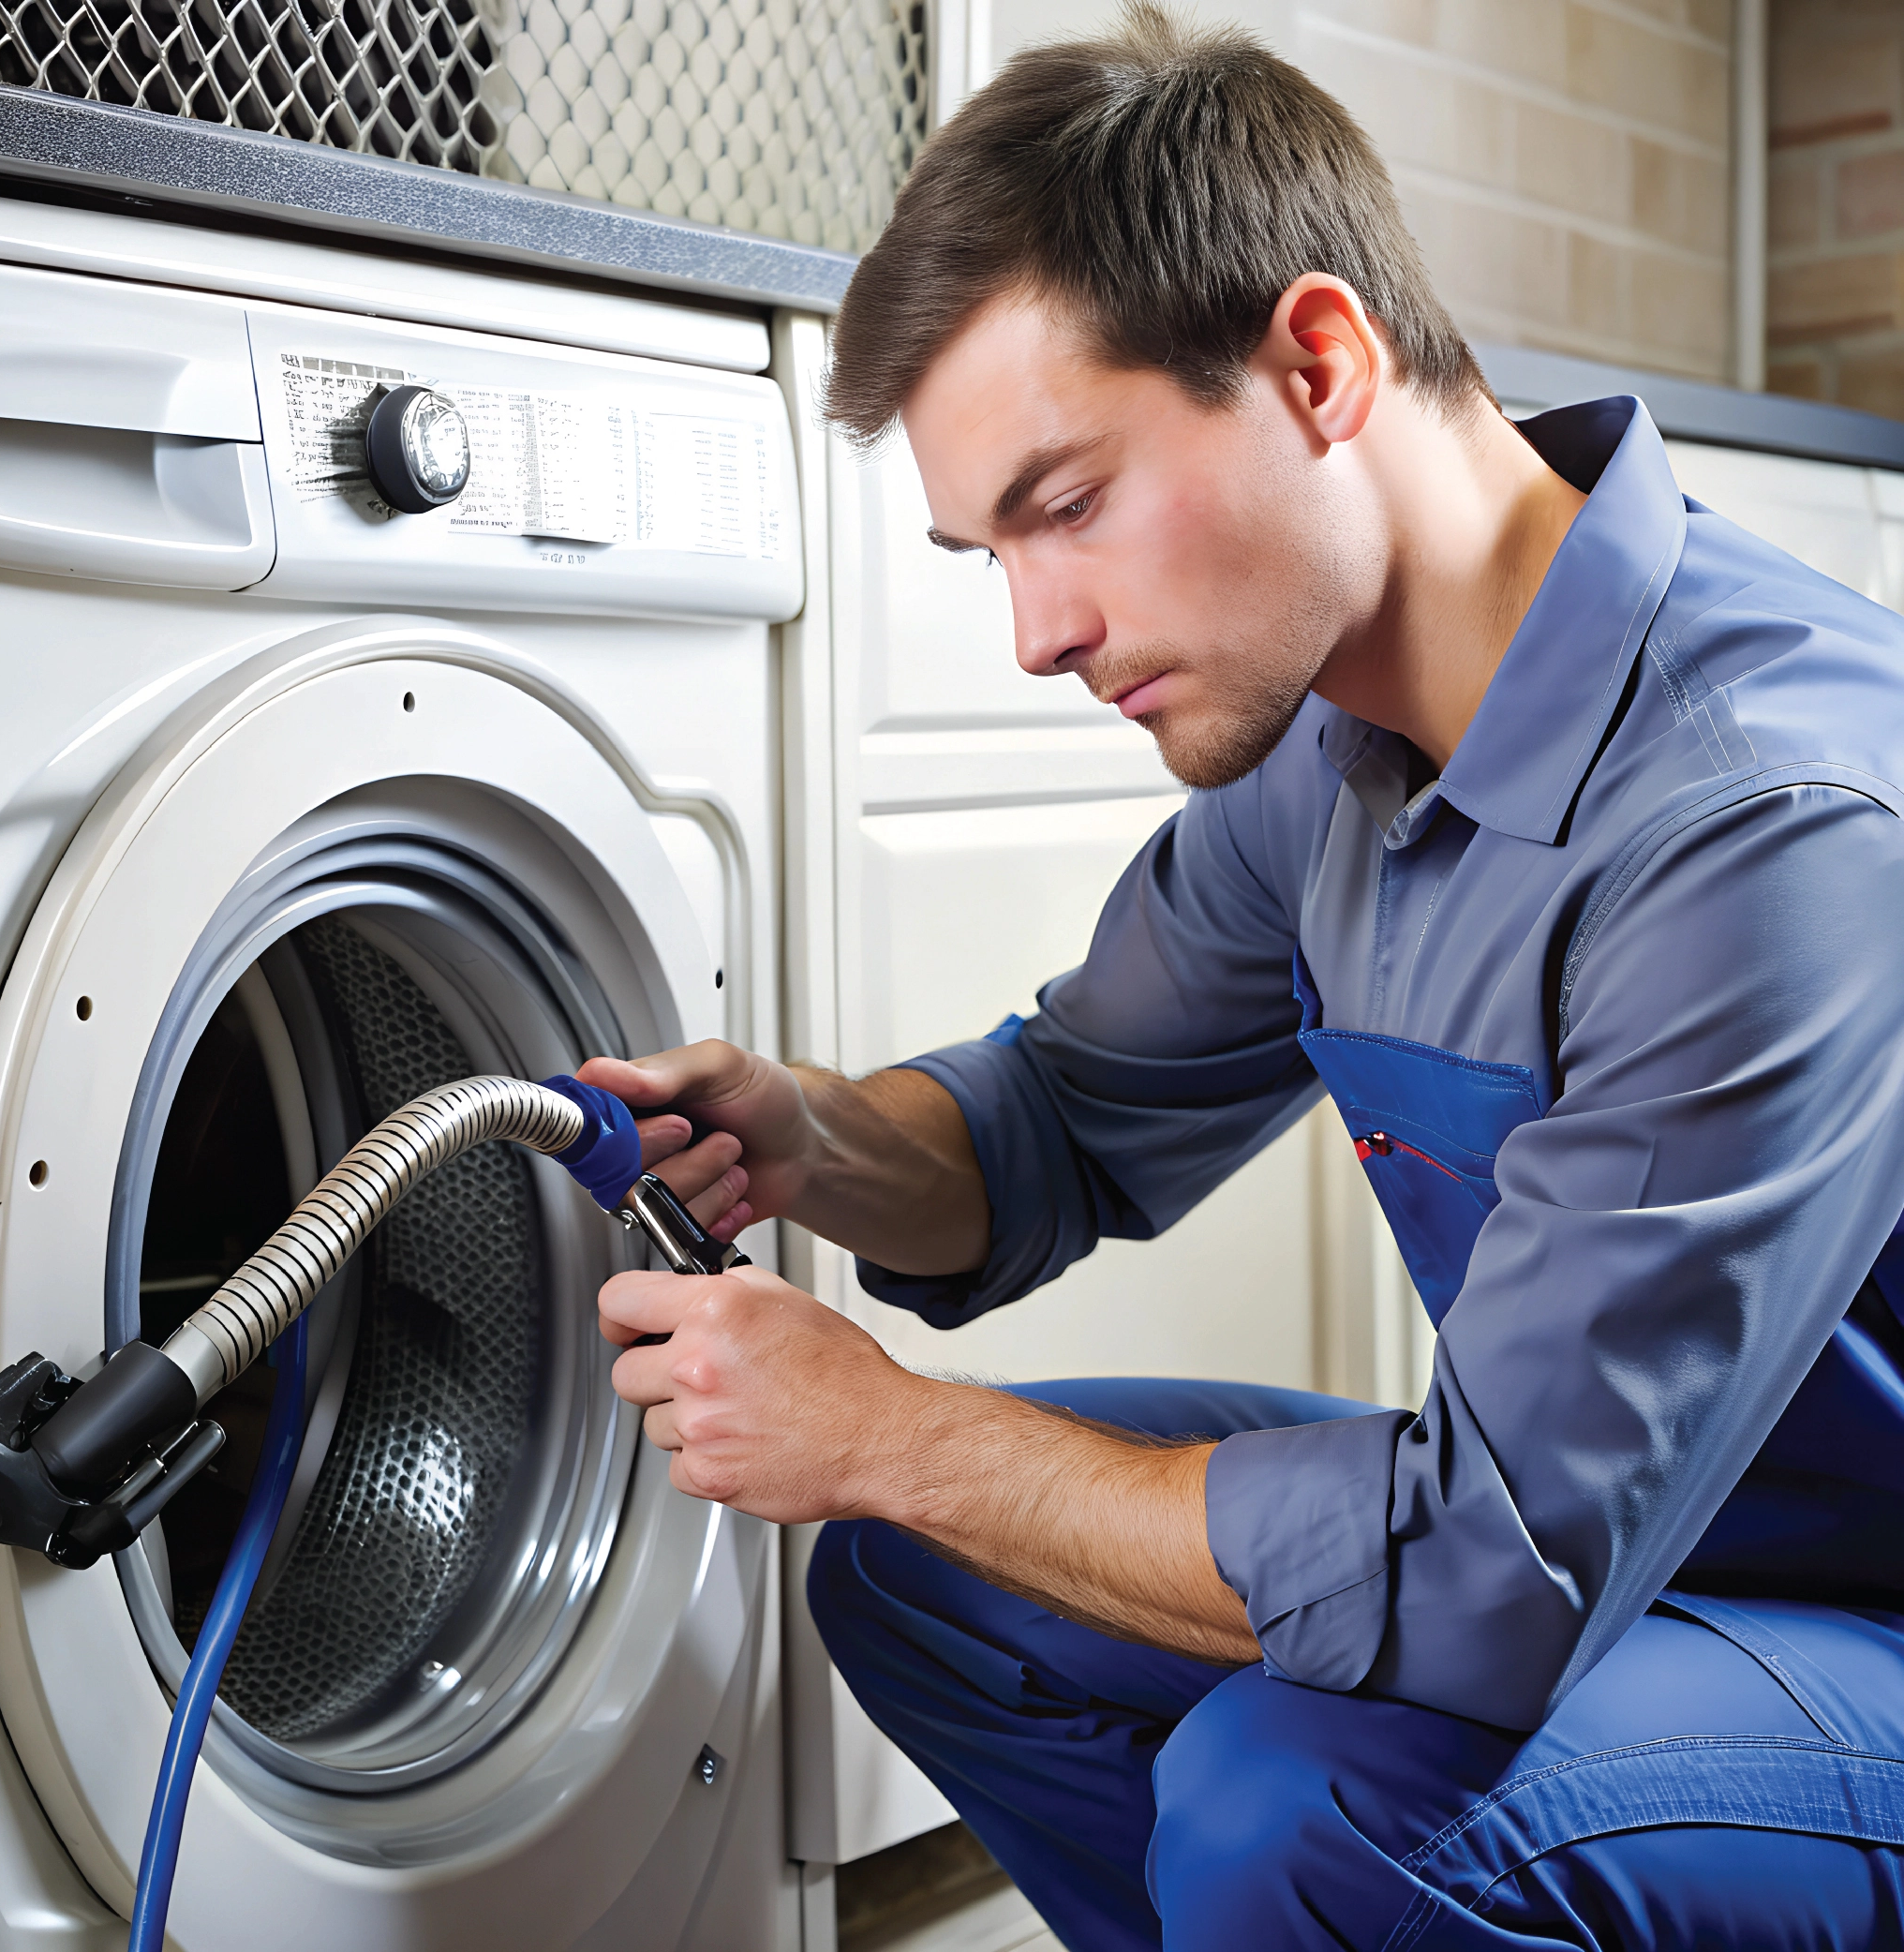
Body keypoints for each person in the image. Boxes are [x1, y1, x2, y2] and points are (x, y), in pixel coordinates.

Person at [578, 8, 1904, 1946]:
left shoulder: (1760, 820)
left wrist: (893, 1427)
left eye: (1068, 502)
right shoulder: (1330, 758)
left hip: (1855, 1606)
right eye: (984, 554)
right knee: (926, 1575)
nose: (1036, 632)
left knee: (1290, 1806)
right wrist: (814, 1141)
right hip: (1645, 1544)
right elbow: (1062, 1117)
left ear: (1317, 362)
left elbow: (1486, 1576)